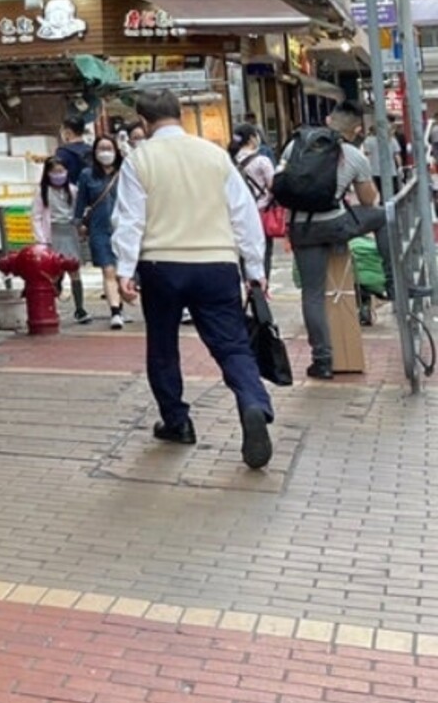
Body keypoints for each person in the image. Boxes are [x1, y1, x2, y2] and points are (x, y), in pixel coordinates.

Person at [112, 89, 274, 470]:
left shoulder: (140, 160)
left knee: (163, 346)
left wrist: (124, 269)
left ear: (144, 121)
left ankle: (177, 421)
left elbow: (130, 219)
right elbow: (244, 216)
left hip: (161, 266)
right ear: (179, 114)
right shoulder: (215, 156)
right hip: (216, 264)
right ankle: (253, 402)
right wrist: (255, 270)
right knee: (232, 345)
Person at [279, 102, 379, 381]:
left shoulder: (294, 147)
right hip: (336, 226)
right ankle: (392, 283)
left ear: (327, 120)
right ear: (356, 129)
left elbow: (280, 183)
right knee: (384, 215)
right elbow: (369, 201)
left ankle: (322, 360)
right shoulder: (354, 155)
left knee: (312, 294)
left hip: (302, 228)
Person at [74, 136, 126, 329]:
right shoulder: (87, 175)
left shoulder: (125, 173)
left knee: (122, 271)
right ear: (94, 153)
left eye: (109, 148)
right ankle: (115, 312)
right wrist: (79, 222)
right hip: (99, 229)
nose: (105, 152)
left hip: (124, 229)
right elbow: (81, 201)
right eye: (101, 149)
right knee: (108, 269)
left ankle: (120, 304)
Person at [33, 154, 91, 324]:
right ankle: (51, 305)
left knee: (74, 269)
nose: (59, 175)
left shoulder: (72, 190)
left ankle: (80, 309)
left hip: (70, 231)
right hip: (53, 233)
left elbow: (79, 210)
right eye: (55, 172)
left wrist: (81, 228)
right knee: (54, 271)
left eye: (61, 171)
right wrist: (42, 240)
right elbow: (36, 216)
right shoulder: (42, 192)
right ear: (48, 173)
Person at [229, 124, 278, 279]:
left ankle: (246, 283)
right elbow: (273, 186)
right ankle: (261, 287)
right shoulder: (262, 161)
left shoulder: (230, 161)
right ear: (251, 138)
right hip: (261, 213)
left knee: (243, 252)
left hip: (239, 214)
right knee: (263, 252)